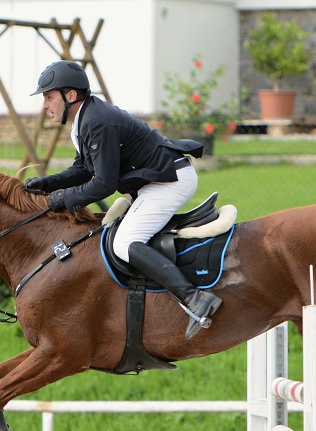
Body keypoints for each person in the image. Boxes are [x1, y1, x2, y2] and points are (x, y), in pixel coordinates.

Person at [24, 60, 222, 339]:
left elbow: (103, 184)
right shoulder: (84, 119)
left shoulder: (95, 121)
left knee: (125, 243)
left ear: (70, 95)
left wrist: (63, 198)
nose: (45, 105)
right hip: (158, 180)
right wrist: (49, 184)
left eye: (48, 97)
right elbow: (83, 169)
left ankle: (195, 299)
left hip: (169, 181)